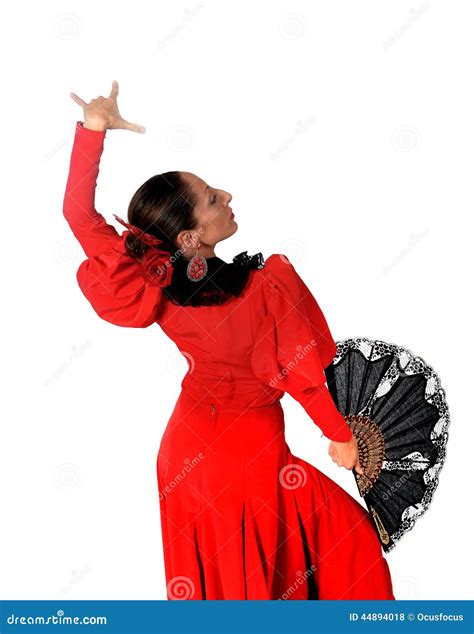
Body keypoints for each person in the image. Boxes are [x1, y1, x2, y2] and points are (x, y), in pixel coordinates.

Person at [64, 81, 395, 600]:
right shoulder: (268, 287)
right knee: (342, 540)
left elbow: (79, 216)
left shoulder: (150, 278)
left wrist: (94, 129)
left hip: (186, 452)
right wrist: (340, 435)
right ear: (190, 237)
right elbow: (302, 374)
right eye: (213, 199)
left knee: (224, 575)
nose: (228, 196)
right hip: (250, 454)